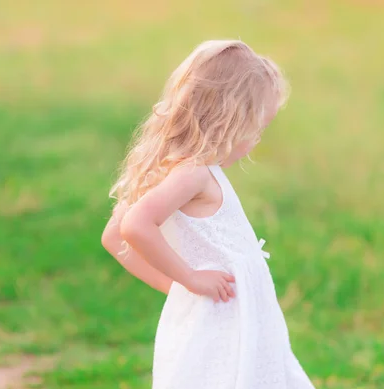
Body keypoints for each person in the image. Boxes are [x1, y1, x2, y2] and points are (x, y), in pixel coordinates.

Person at [101, 40, 315, 388]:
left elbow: (112, 235)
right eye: (257, 129)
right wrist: (188, 280)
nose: (257, 141)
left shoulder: (182, 169)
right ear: (231, 119)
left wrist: (179, 291)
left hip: (231, 321)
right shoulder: (193, 173)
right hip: (223, 330)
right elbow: (133, 226)